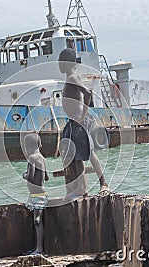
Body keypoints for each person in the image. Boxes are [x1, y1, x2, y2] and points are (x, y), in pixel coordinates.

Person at [58, 48, 110, 196]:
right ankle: (81, 187)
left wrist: (82, 116)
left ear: (67, 63)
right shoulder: (70, 78)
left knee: (88, 153)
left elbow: (87, 94)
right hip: (73, 119)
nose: (59, 66)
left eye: (61, 63)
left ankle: (102, 183)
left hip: (78, 119)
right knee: (77, 154)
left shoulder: (73, 78)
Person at [22, 133, 49, 255]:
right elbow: (47, 177)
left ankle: (39, 249)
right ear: (40, 145)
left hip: (37, 195)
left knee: (37, 221)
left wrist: (24, 175)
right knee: (36, 221)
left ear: (28, 147)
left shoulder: (32, 158)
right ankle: (37, 247)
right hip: (40, 194)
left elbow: (31, 177)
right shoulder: (42, 158)